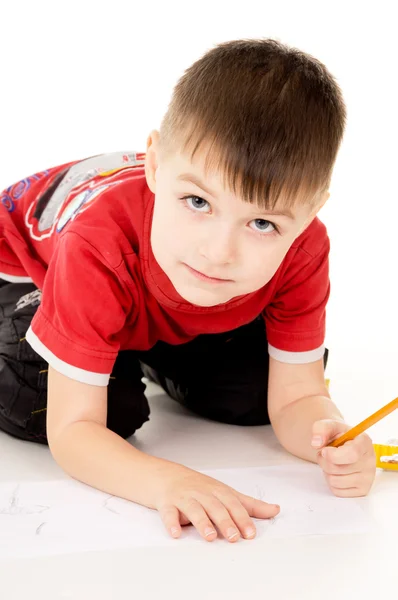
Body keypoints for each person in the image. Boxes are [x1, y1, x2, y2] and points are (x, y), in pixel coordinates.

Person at [0, 38, 376, 543]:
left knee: (249, 393)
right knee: (84, 409)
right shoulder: (98, 244)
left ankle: (125, 349)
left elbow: (299, 396)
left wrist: (330, 436)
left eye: (262, 223)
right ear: (155, 167)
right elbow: (72, 433)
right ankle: (100, 353)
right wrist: (166, 481)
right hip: (25, 266)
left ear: (311, 213)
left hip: (142, 298)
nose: (218, 252)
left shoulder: (304, 251)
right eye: (197, 201)